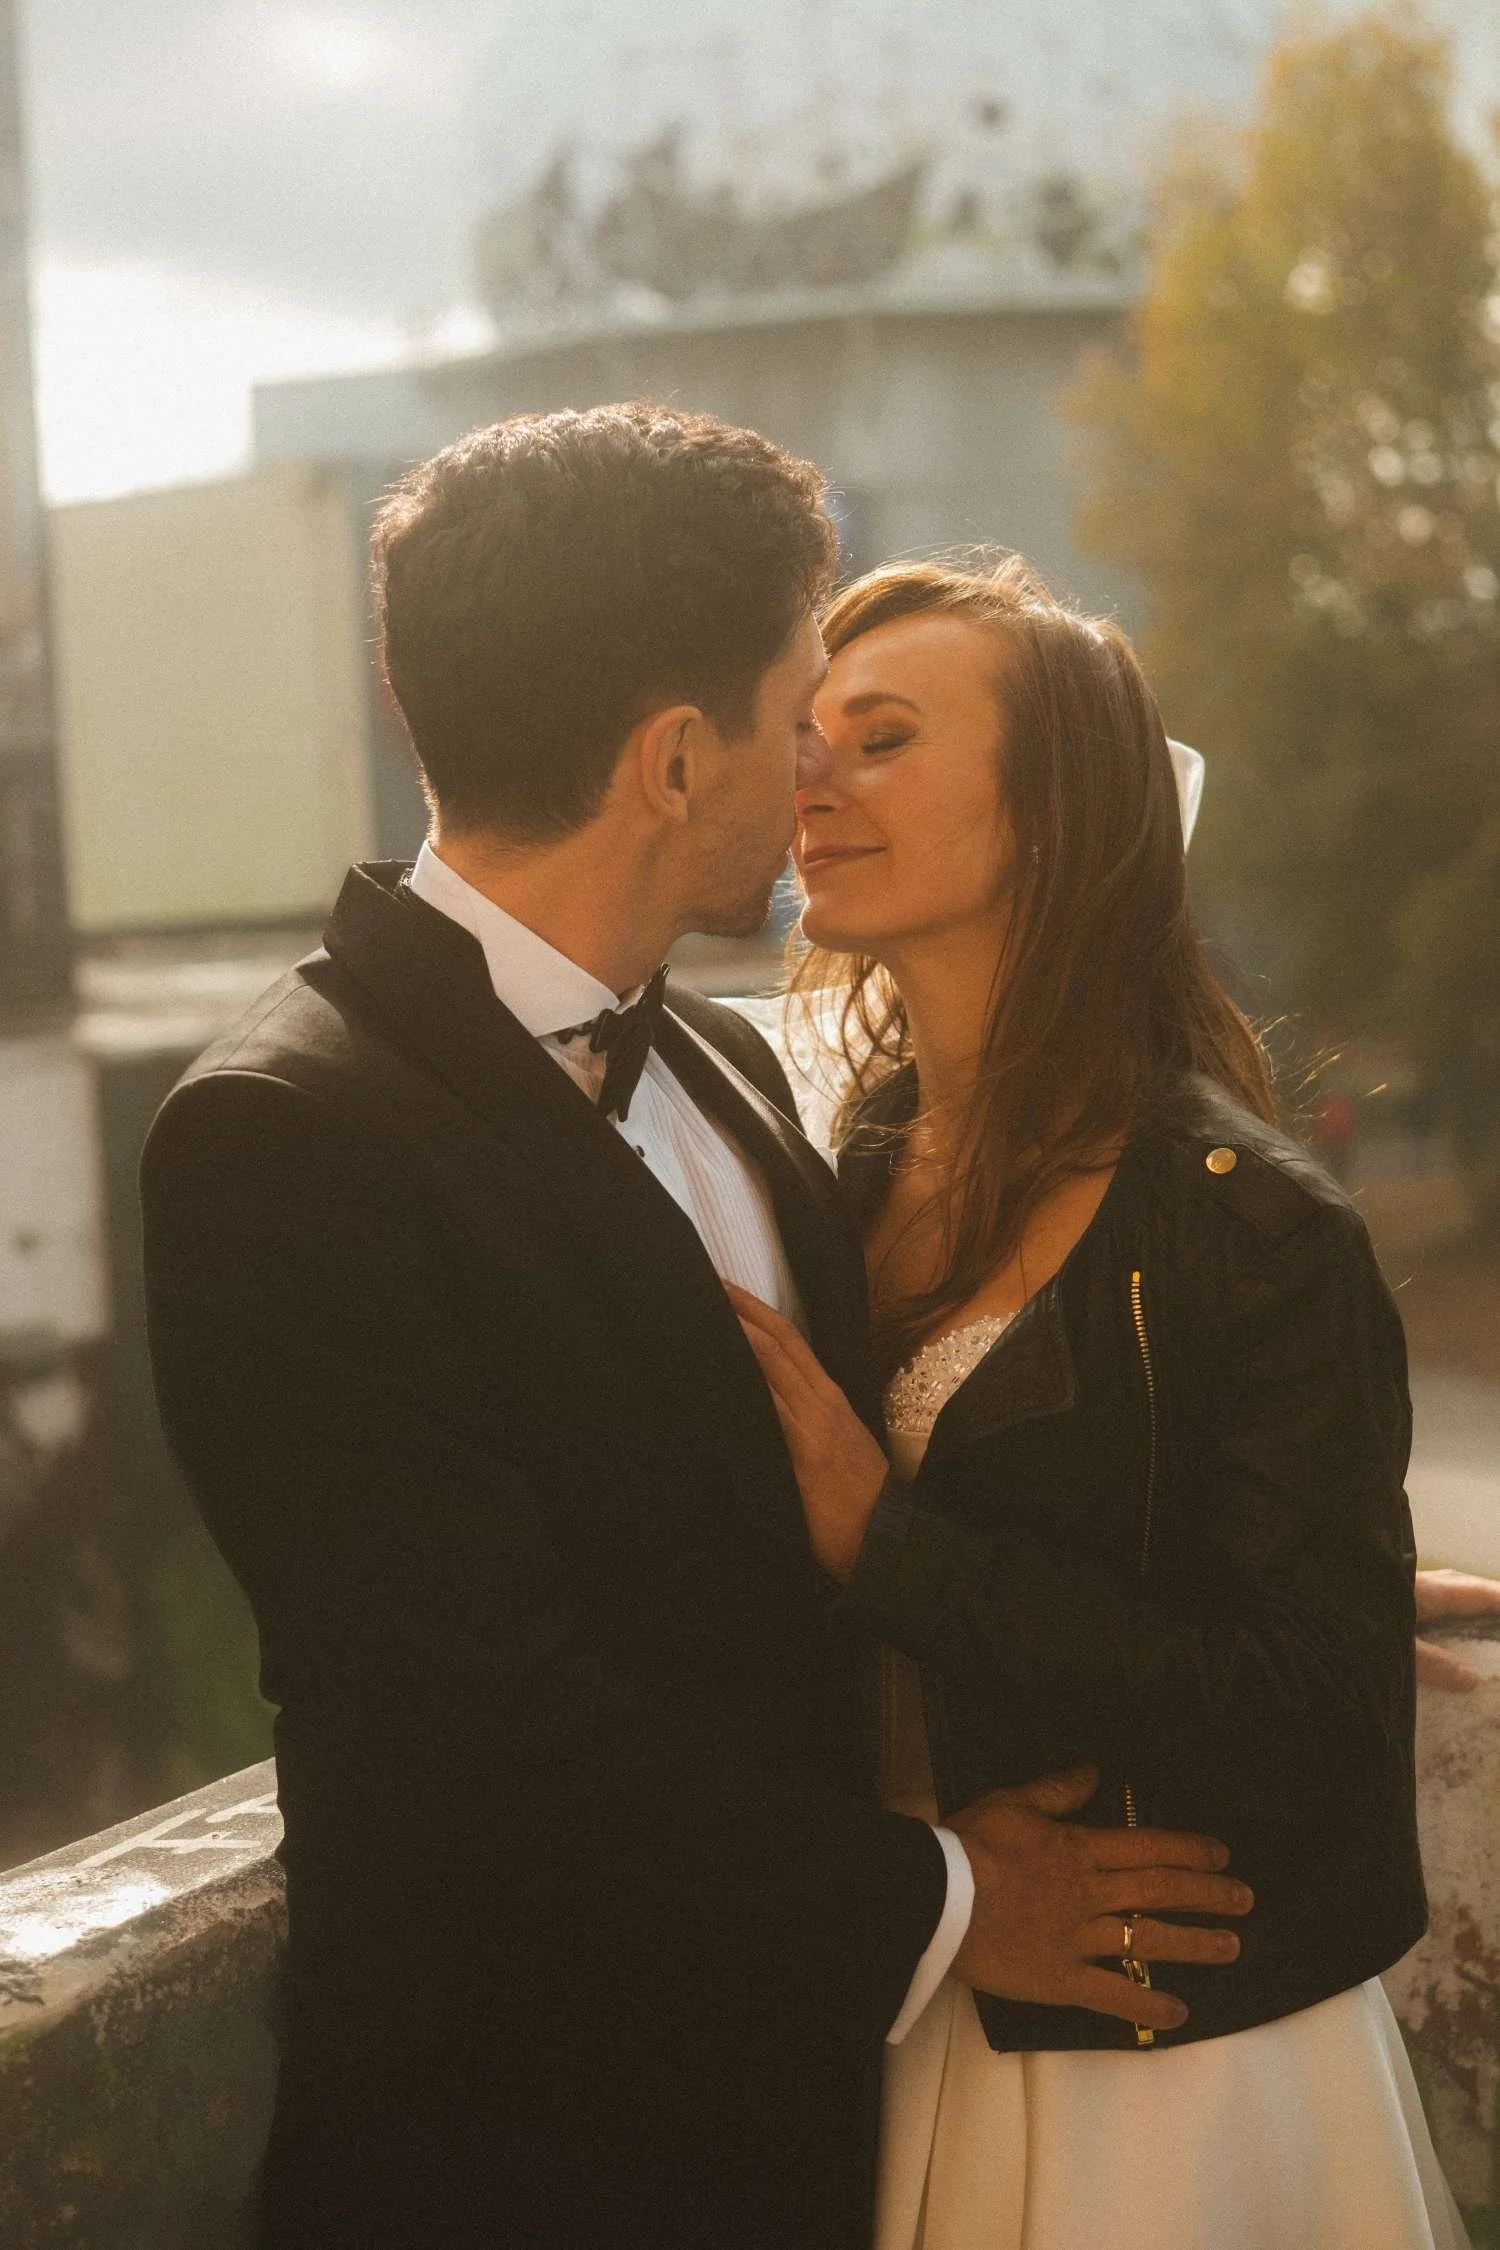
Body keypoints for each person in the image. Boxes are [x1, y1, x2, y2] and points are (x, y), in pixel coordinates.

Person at [138, 411, 1255, 2250]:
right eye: (800, 706)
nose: (818, 759)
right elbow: (480, 1732)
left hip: (809, 2139)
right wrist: (953, 1899)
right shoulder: (281, 1136)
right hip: (520, 2165)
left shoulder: (731, 1059)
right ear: (673, 761)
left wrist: (1238, 1550)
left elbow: (882, 1459)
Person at [733, 555, 1471, 2249]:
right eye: (809, 737)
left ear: (1053, 815)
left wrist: (886, 1543)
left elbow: (1317, 1713)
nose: (812, 781)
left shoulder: (1251, 1220)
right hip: (929, 2003)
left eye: (884, 738)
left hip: (1177, 2065)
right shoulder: (846, 1163)